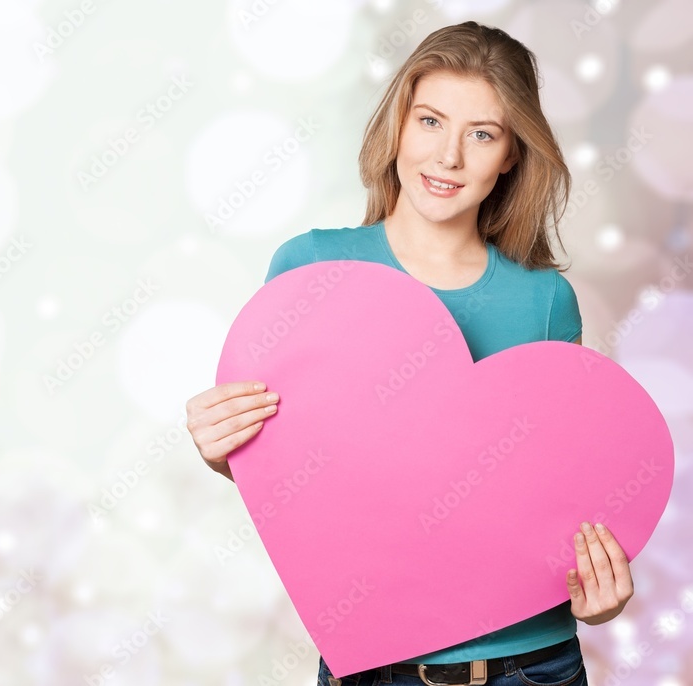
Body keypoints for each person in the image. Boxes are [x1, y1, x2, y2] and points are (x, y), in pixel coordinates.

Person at [185, 21, 634, 686]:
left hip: (532, 666)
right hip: (373, 665)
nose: (448, 156)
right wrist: (225, 453)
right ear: (399, 125)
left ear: (511, 154)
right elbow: (303, 480)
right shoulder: (311, 269)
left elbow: (552, 505)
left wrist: (602, 593)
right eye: (430, 121)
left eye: (481, 133)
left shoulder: (544, 302)